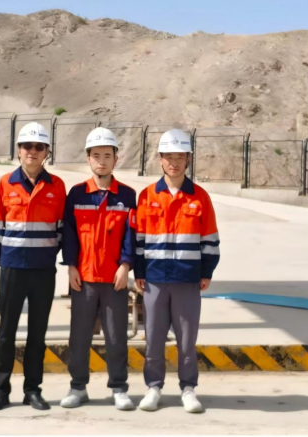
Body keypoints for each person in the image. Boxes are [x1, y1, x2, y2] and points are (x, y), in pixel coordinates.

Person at [135, 129, 221, 414]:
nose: (174, 162)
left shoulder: (200, 197)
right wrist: (139, 271)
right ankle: (153, 387)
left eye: (180, 157)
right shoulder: (147, 195)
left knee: (186, 340)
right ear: (160, 159)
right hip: (155, 279)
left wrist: (206, 271)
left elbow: (210, 239)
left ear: (188, 159)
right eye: (169, 157)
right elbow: (139, 239)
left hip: (187, 279)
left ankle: (188, 389)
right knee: (154, 337)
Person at [0, 122, 66, 412]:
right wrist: (9, 256)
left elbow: (61, 229)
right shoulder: (5, 184)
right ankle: (0, 390)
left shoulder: (57, 186)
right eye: (27, 146)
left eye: (39, 147)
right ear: (18, 151)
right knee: (6, 331)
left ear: (47, 152)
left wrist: (46, 254)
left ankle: (32, 390)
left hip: (43, 270)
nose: (33, 151)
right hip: (12, 269)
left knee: (37, 333)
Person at [60, 127, 137, 411]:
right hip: (84, 278)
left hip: (115, 279)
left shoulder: (127, 196)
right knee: (79, 337)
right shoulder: (77, 194)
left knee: (116, 337)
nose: (101, 161)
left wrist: (126, 265)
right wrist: (70, 266)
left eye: (107, 155)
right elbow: (69, 233)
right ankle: (77, 387)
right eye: (96, 156)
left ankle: (118, 388)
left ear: (116, 158)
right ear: (88, 158)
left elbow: (131, 234)